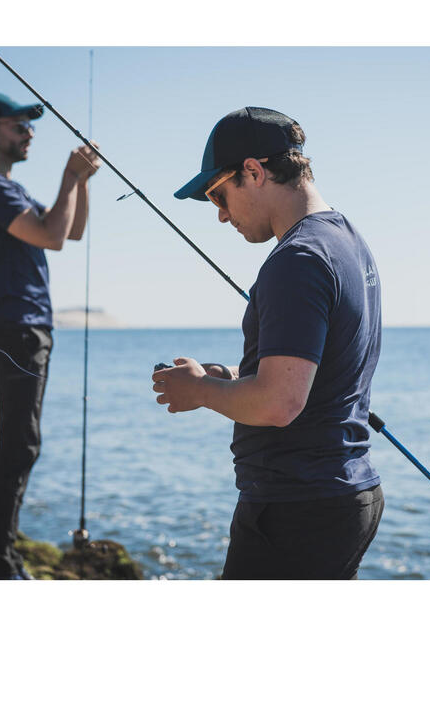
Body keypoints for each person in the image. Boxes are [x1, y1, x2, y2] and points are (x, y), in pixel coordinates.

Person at [152, 106, 384, 579]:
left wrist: (199, 391)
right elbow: (309, 375)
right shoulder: (347, 241)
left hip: (297, 510)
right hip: (338, 499)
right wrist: (226, 377)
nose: (220, 216)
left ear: (253, 172)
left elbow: (279, 403)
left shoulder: (296, 259)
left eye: (219, 195)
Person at [0, 93, 101, 579]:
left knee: (20, 444)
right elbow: (51, 236)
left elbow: (72, 229)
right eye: (18, 124)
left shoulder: (11, 191)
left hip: (26, 324)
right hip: (16, 325)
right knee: (19, 445)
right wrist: (68, 175)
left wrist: (80, 182)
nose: (29, 132)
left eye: (30, 125)